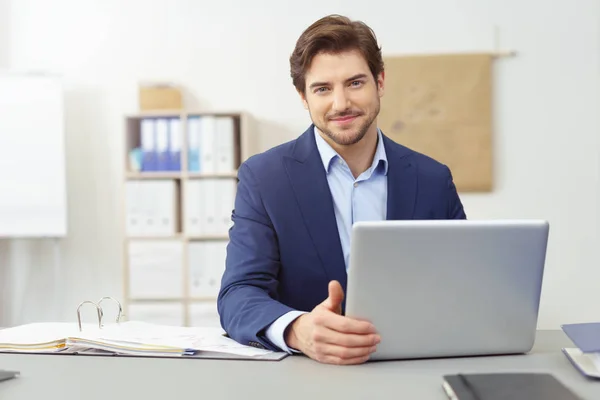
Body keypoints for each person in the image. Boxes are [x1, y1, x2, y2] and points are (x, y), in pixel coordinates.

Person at [217, 14, 466, 365]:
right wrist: (297, 329)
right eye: (322, 89)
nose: (340, 103)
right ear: (303, 97)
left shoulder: (433, 179)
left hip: (413, 367)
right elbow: (238, 294)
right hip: (307, 377)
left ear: (380, 82)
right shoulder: (264, 178)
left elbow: (464, 286)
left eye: (355, 83)